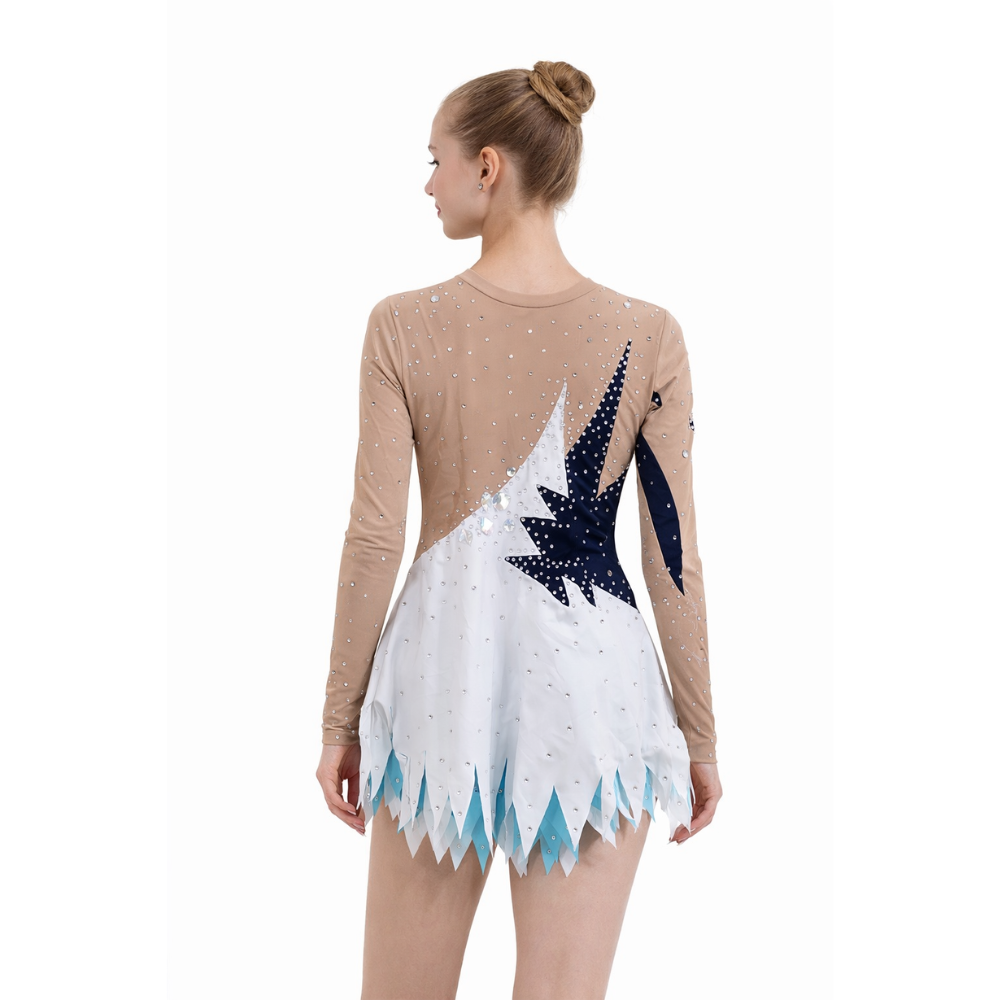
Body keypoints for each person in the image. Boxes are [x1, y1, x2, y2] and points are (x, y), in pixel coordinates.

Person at [316, 59, 723, 1000]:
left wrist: (340, 719)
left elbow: (374, 537)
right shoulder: (649, 332)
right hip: (596, 696)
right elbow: (672, 554)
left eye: (436, 160)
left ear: (488, 166)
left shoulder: (403, 326)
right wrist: (700, 734)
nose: (429, 184)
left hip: (438, 683)